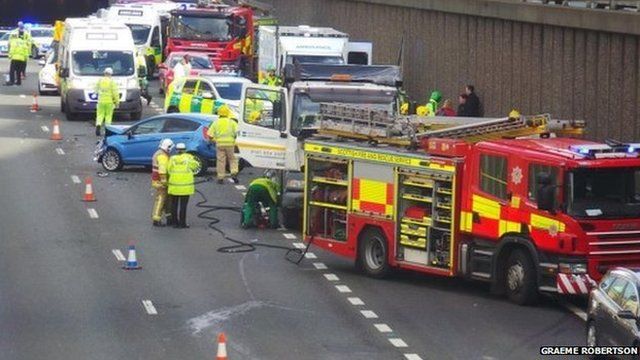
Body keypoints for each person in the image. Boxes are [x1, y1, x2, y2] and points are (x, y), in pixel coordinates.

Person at [167, 143, 199, 228]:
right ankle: (182, 223)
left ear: (176, 150)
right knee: (183, 205)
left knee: (174, 204)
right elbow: (196, 166)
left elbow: (168, 170)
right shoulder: (189, 158)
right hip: (185, 187)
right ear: (185, 150)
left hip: (174, 186)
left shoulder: (172, 159)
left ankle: (174, 222)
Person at [208, 105, 239, 184]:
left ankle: (220, 177)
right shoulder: (232, 122)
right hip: (230, 144)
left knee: (221, 161)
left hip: (220, 145)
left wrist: (215, 140)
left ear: (219, 113)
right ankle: (234, 172)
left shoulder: (216, 123)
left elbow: (210, 135)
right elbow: (237, 133)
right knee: (232, 159)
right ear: (228, 113)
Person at [151, 139, 174, 227]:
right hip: (160, 181)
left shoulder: (159, 153)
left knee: (167, 200)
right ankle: (156, 219)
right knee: (161, 199)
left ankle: (169, 218)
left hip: (158, 180)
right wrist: (164, 181)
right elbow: (162, 170)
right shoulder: (162, 156)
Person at [95, 68, 119, 136]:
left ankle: (98, 125)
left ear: (104, 73)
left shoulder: (100, 80)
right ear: (111, 74)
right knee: (108, 116)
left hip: (101, 101)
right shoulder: (112, 82)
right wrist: (117, 102)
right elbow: (115, 93)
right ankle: (107, 130)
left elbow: (95, 90)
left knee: (100, 115)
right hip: (109, 102)